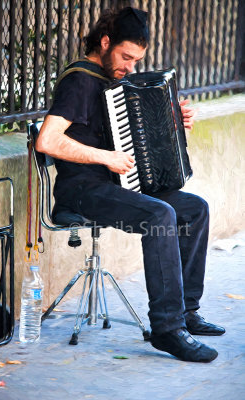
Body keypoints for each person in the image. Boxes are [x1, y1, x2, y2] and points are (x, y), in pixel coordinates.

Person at [36, 7, 225, 362]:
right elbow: (46, 141)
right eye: (125, 57)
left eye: (137, 60)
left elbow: (136, 138)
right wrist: (105, 157)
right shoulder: (79, 81)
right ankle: (167, 330)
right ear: (105, 42)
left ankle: (186, 312)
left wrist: (174, 121)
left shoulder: (113, 81)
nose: (130, 67)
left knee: (194, 209)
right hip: (81, 192)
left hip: (117, 186)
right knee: (159, 216)